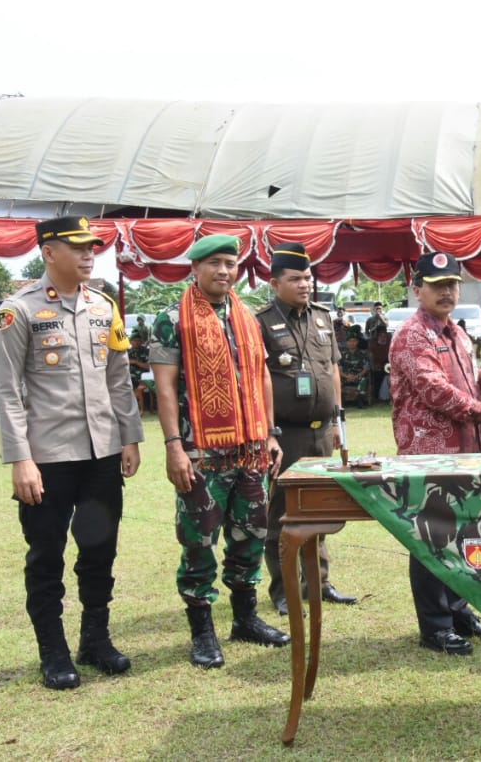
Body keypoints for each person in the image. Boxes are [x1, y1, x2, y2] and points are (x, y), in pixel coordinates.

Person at [0, 216, 143, 690]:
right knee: (47, 555)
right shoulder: (17, 311)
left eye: (91, 247)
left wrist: (130, 437)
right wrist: (20, 459)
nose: (87, 255)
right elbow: (8, 391)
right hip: (48, 458)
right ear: (48, 252)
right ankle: (53, 652)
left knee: (99, 549)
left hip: (101, 453)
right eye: (76, 247)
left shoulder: (104, 307)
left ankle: (94, 640)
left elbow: (119, 379)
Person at [150, 234, 290, 669]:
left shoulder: (247, 316)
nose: (224, 271)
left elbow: (263, 377)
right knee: (199, 541)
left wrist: (270, 433)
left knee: (250, 536)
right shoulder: (171, 318)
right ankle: (202, 631)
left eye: (230, 263)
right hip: (201, 452)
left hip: (250, 449)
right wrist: (175, 447)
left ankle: (245, 619)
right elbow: (165, 388)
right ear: (195, 268)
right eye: (214, 263)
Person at [388, 251, 481, 655]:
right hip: (430, 456)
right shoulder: (412, 335)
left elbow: (467, 392)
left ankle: (459, 612)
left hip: (465, 454)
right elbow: (435, 392)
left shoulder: (458, 334)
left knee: (464, 532)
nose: (447, 292)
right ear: (417, 290)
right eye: (437, 285)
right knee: (432, 538)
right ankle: (435, 626)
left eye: (452, 284)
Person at [255, 242, 358, 616]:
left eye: (308, 277)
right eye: (295, 278)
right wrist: (267, 432)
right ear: (275, 283)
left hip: (320, 431)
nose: (305, 284)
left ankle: (320, 581)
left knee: (318, 509)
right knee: (282, 513)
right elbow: (258, 379)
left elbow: (332, 369)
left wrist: (337, 420)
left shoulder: (321, 317)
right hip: (286, 434)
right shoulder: (261, 321)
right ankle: (283, 588)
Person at [340, 333, 372, 407]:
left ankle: (360, 400)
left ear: (357, 342)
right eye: (350, 341)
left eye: (354, 341)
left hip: (358, 376)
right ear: (347, 342)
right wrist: (347, 377)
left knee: (364, 380)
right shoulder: (342, 354)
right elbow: (338, 370)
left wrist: (356, 376)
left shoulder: (362, 354)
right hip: (345, 377)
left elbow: (366, 369)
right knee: (337, 380)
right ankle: (341, 401)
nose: (352, 343)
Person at [127, 332, 155, 413]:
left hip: (143, 377)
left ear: (141, 341)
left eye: (138, 340)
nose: (136, 342)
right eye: (134, 340)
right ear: (130, 342)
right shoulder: (127, 352)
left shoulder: (146, 351)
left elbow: (149, 366)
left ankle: (141, 408)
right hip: (129, 377)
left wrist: (136, 362)